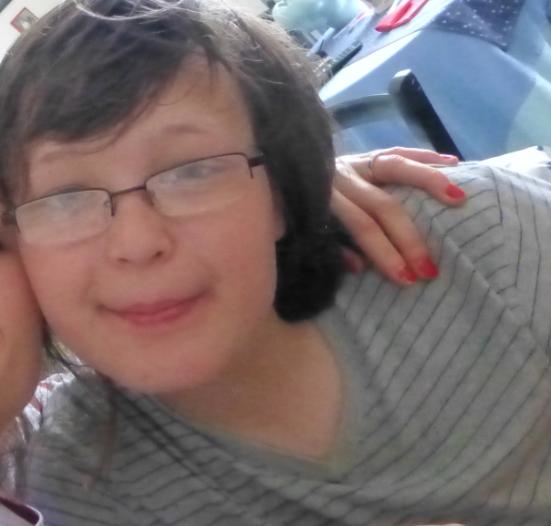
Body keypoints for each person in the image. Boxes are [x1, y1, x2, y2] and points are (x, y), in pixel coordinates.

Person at [0, 1, 549, 525]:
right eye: (65, 197)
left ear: (279, 193)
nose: (138, 242)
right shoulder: (71, 482)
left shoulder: (483, 241)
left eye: (193, 171)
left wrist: (305, 178)